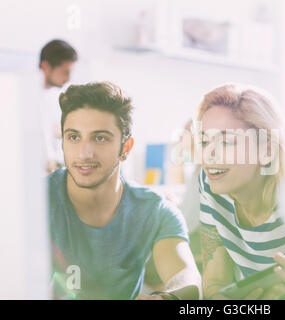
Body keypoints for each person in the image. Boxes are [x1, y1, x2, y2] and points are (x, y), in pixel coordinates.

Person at [48, 82, 201, 300]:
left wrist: (167, 298)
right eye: (73, 137)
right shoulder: (35, 201)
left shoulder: (154, 211)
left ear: (125, 148)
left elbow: (187, 278)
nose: (84, 153)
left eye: (100, 138)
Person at [196, 84, 285, 300]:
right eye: (204, 141)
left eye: (226, 142)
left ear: (267, 150)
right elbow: (215, 281)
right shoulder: (210, 184)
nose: (208, 155)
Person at [38, 39, 78, 173]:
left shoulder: (55, 98)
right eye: (65, 72)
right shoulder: (24, 97)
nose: (68, 78)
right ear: (45, 67)